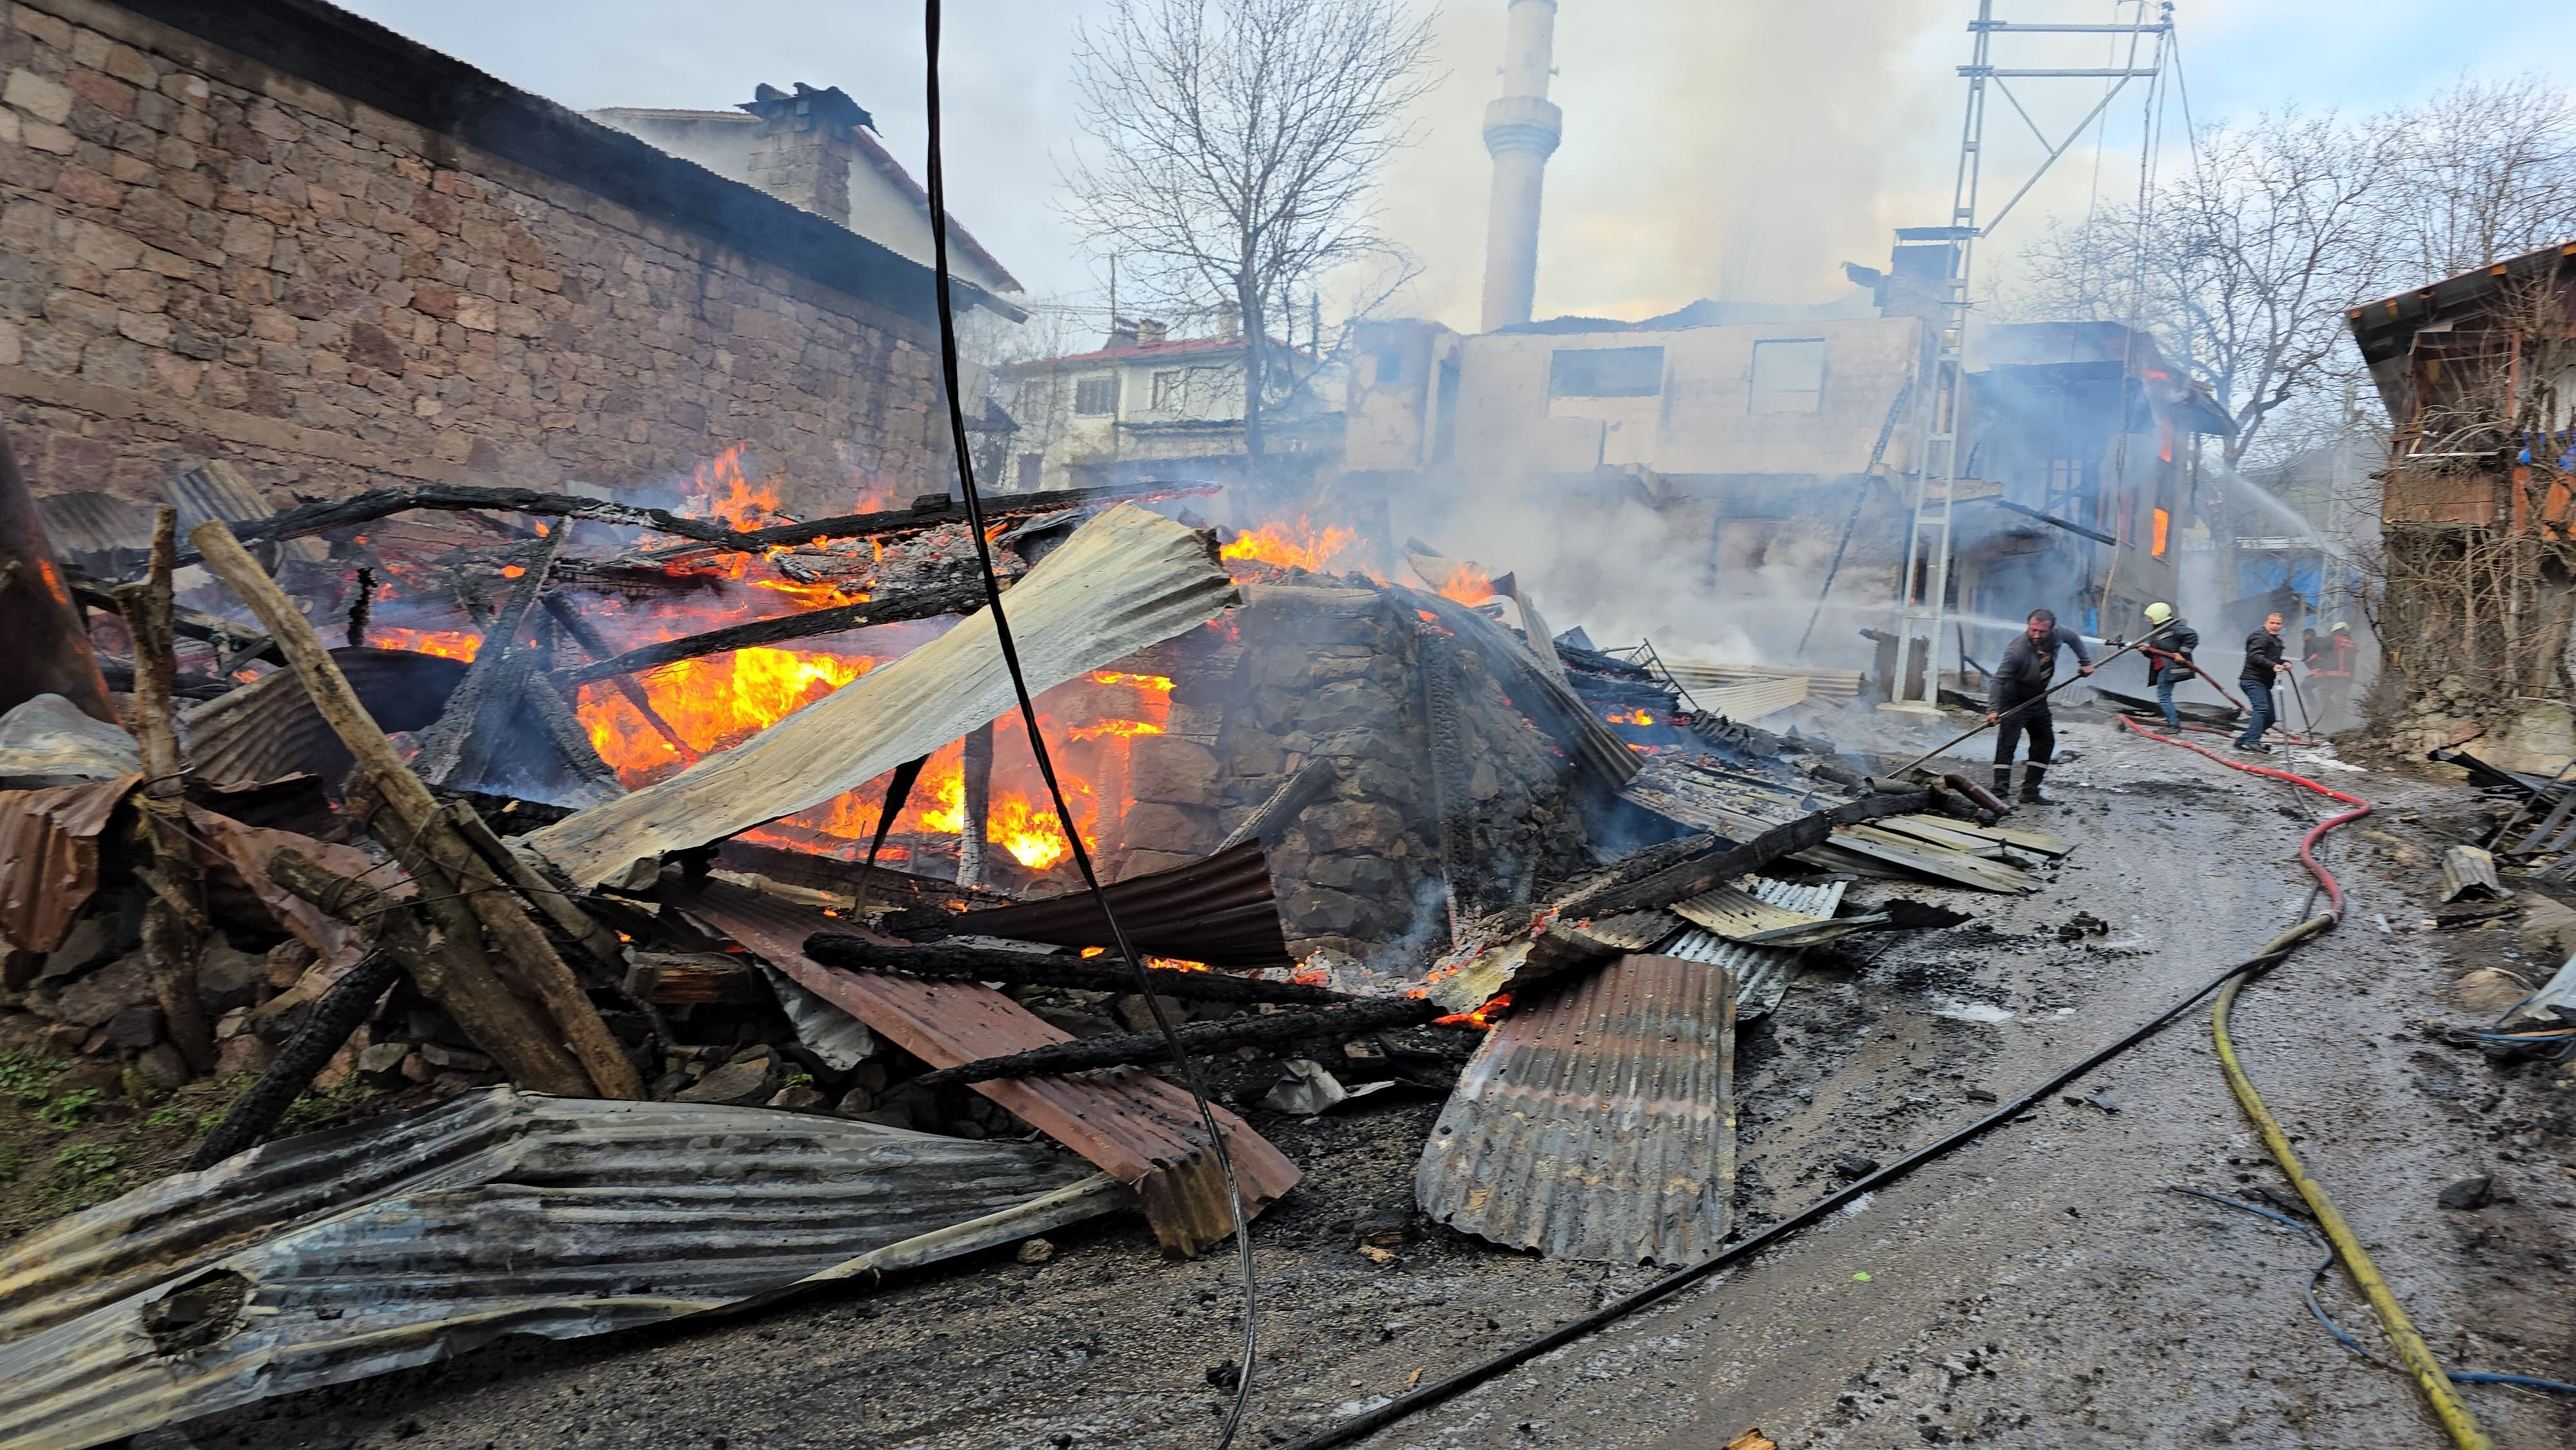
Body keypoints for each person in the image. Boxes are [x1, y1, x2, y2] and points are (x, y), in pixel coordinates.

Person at [1985, 607, 2094, 805]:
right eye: (2033, 630)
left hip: (2038, 698)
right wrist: (1993, 709)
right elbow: (1997, 681)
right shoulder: (2016, 650)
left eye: (2041, 632)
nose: (2036, 635)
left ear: (2051, 629)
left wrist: (2085, 662)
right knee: (2007, 746)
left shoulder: (2059, 634)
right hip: (2014, 700)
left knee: (2045, 743)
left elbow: (2074, 638)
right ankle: (1999, 794)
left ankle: (2030, 792)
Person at [2138, 601, 2199, 730]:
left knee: (2164, 697)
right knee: (2164, 696)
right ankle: (2172, 721)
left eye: (2151, 618)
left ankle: (2173, 726)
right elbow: (2157, 652)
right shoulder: (2158, 631)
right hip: (2163, 668)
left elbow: (2192, 636)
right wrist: (2146, 651)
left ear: (2158, 616)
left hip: (2170, 669)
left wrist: (2182, 653)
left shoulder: (2173, 628)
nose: (2148, 620)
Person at [2235, 611, 2288, 752]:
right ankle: (2252, 741)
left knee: (2270, 718)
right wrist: (2273, 665)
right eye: (2272, 623)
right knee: (2262, 708)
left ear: (2282, 625)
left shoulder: (2276, 641)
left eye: (2278, 623)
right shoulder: (2260, 637)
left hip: (2263, 682)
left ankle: (2244, 740)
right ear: (2266, 623)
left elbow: (2272, 658)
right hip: (2252, 679)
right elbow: (2255, 656)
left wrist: (2284, 662)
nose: (2275, 626)